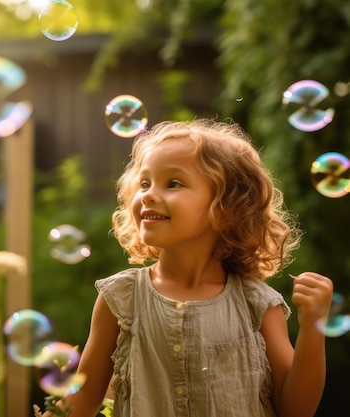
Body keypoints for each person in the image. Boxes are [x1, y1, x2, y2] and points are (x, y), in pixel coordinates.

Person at [41, 119, 333, 417]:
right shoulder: (121, 298)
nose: (149, 195)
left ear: (225, 209)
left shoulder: (255, 304)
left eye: (173, 184)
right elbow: (84, 398)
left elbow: (294, 410)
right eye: (144, 183)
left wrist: (312, 327)